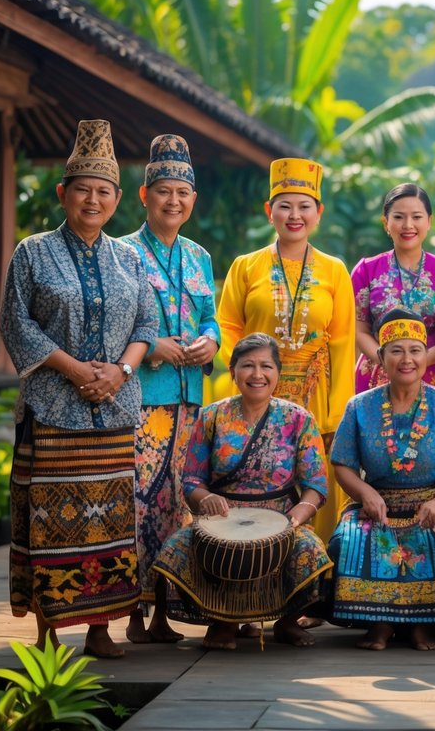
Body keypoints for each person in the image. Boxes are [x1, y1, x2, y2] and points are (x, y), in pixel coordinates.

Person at [0, 120, 158, 659]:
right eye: (83, 190)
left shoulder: (130, 258)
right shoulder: (32, 252)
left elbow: (146, 324)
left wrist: (120, 372)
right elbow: (17, 323)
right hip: (51, 409)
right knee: (49, 522)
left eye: (104, 191)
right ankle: (48, 628)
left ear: (117, 199)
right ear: (62, 192)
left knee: (110, 522)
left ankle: (99, 628)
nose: (93, 200)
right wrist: (74, 370)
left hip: (114, 411)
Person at [152, 333, 333, 650]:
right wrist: (206, 498)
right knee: (177, 547)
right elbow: (191, 480)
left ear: (277, 372)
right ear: (233, 371)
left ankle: (287, 621)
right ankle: (223, 621)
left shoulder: (299, 419)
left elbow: (316, 484)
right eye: (248, 365)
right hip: (222, 519)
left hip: (280, 519)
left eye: (266, 366)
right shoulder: (211, 416)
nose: (257, 374)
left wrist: (298, 515)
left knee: (311, 549)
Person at [218, 158, 356, 540]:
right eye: (285, 206)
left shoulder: (334, 270)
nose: (295, 215)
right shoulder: (246, 266)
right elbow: (227, 326)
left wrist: (336, 417)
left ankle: (313, 567)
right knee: (255, 481)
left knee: (314, 484)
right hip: (256, 391)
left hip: (316, 394)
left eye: (304, 206)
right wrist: (245, 376)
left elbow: (343, 342)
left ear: (318, 213)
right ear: (269, 211)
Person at [327, 309, 435, 651]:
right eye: (396, 351)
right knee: (351, 538)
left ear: (427, 355)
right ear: (381, 357)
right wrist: (364, 493)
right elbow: (343, 466)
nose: (407, 359)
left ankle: (423, 624)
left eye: (415, 350)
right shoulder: (359, 407)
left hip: (431, 506)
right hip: (376, 506)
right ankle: (379, 621)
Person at [118, 134, 220, 645]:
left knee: (180, 506)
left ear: (193, 200)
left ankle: (166, 610)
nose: (173, 201)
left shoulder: (199, 257)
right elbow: (114, 326)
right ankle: (132, 613)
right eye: (164, 191)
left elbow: (210, 317)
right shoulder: (121, 253)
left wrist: (210, 341)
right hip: (143, 400)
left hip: (190, 403)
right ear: (144, 195)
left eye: (182, 193)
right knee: (139, 506)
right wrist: (152, 346)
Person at [352, 183, 435, 393]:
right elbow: (359, 329)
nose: (408, 225)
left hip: (431, 374)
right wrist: (387, 360)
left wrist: (415, 362)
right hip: (377, 373)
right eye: (399, 217)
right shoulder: (366, 270)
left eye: (417, 217)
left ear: (429, 222)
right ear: (386, 222)